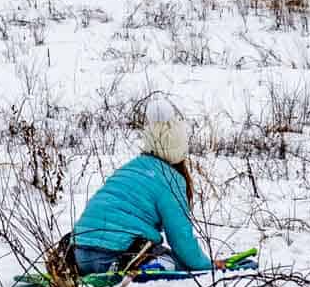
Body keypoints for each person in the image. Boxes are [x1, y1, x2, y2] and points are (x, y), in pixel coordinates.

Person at [70, 96, 213, 276]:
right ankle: (147, 268)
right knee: (175, 262)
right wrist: (206, 265)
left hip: (80, 253)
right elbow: (181, 239)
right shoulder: (171, 180)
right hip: (117, 256)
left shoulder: (129, 168)